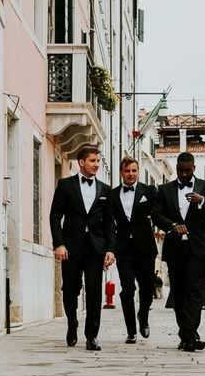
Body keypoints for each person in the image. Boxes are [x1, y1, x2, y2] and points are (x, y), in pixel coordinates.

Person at [152, 152, 205, 352]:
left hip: (198, 249)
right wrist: (172, 225)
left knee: (194, 292)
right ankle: (187, 335)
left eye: (188, 170)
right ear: (176, 167)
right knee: (180, 293)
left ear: (194, 168)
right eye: (181, 170)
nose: (184, 174)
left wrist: (202, 201)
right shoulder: (165, 190)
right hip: (175, 249)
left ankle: (189, 335)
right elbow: (156, 215)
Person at [49, 146, 115, 351]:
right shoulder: (66, 185)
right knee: (70, 290)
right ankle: (72, 324)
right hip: (71, 246)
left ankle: (92, 336)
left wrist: (110, 249)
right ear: (81, 162)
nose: (96, 164)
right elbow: (55, 215)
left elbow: (110, 222)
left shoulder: (105, 189)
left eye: (98, 161)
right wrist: (58, 244)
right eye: (93, 161)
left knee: (95, 292)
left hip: (96, 248)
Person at [109, 157, 158, 344]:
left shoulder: (150, 191)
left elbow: (159, 211)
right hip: (123, 249)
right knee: (127, 288)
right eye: (127, 171)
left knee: (147, 287)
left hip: (145, 247)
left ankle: (143, 316)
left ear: (138, 172)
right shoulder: (112, 195)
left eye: (134, 171)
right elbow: (109, 223)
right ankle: (131, 331)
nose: (131, 174)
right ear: (121, 172)